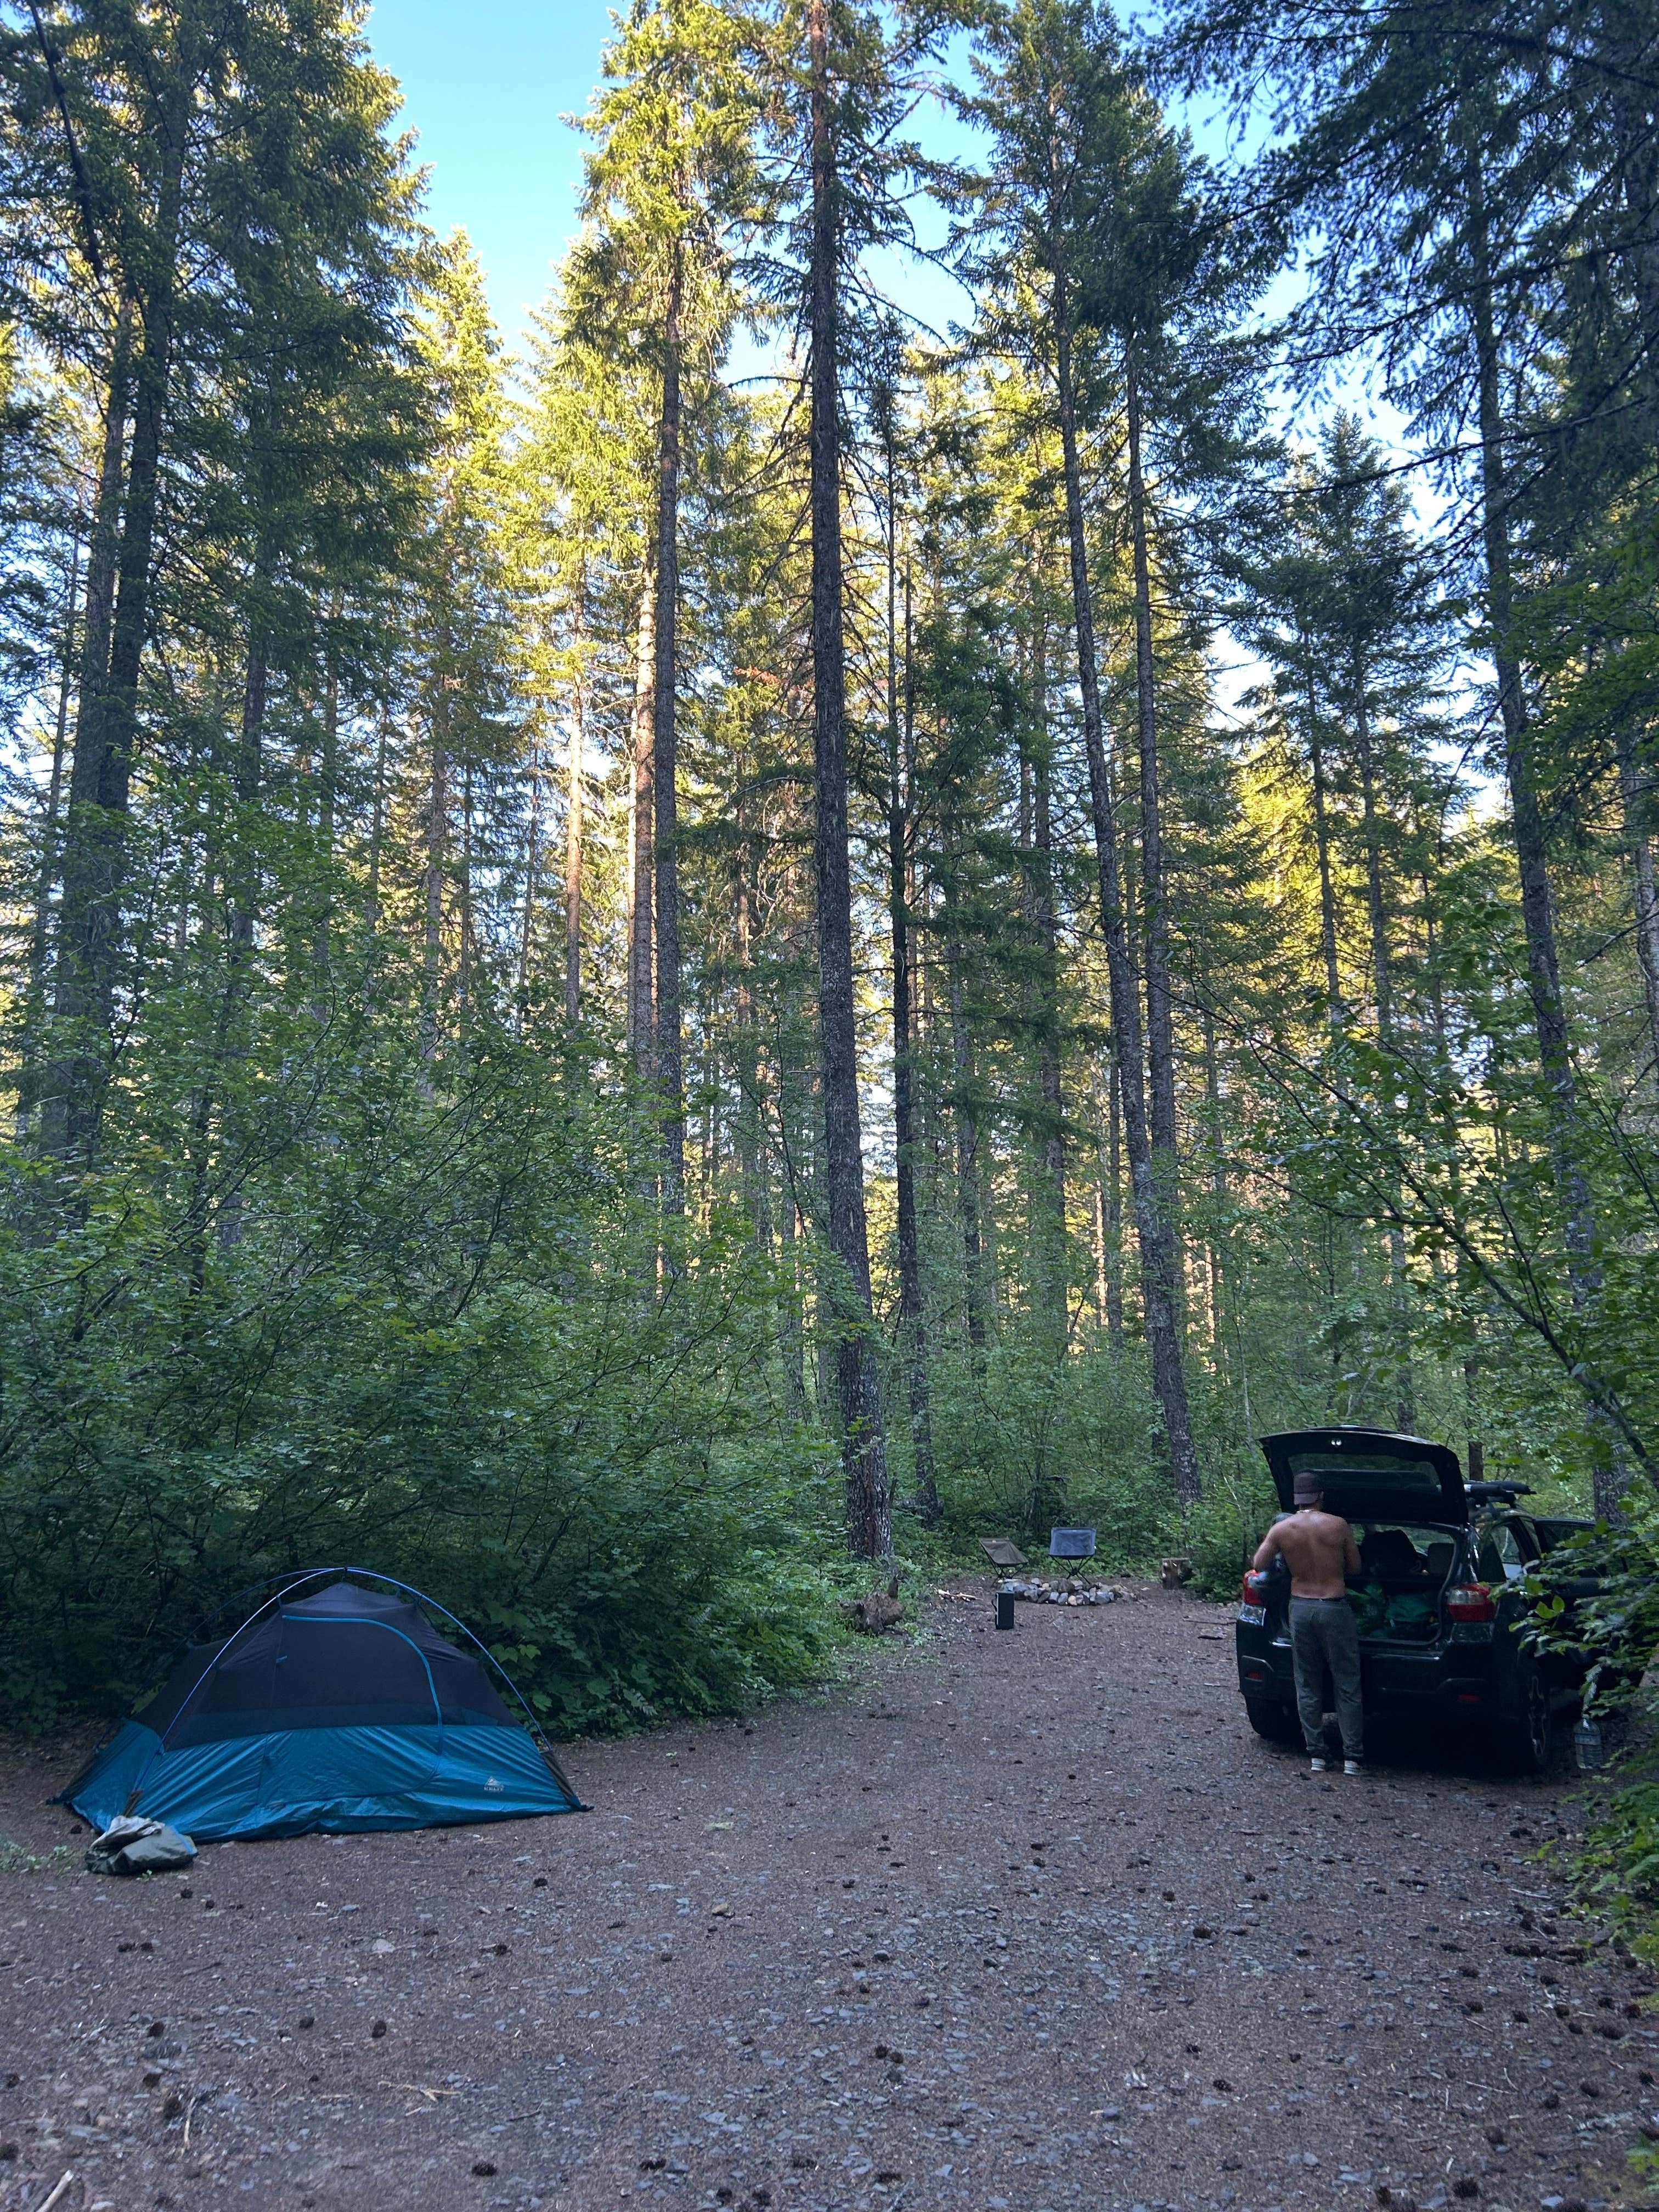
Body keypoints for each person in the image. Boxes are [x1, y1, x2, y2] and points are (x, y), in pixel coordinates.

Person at [1253, 1474, 1364, 1775]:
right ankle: (1352, 1758)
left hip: (1300, 1609)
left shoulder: (1282, 1529)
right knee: (1347, 1683)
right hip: (1333, 1606)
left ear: (1296, 1498)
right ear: (1321, 1496)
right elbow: (1355, 1567)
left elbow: (1260, 1564)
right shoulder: (1338, 1525)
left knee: (1307, 1681)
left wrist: (1281, 1548)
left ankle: (1316, 1754)